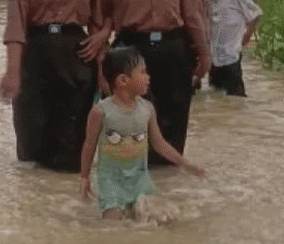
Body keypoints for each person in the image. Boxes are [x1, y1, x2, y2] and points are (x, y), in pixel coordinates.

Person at [95, 0, 210, 167]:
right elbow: (102, 24)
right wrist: (101, 69)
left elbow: (193, 16)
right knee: (131, 126)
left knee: (174, 120)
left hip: (173, 49)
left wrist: (204, 54)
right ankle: (135, 190)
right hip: (130, 53)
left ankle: (169, 186)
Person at [0, 0, 108, 172]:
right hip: (36, 58)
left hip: (78, 57)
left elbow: (100, 21)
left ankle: (69, 207)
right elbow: (16, 23)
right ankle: (36, 208)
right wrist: (13, 71)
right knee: (31, 145)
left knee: (73, 145)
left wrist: (103, 58)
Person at [80, 46, 207, 220]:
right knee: (112, 224)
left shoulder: (147, 109)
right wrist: (85, 177)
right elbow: (89, 144)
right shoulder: (100, 112)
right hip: (111, 180)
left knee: (163, 218)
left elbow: (159, 143)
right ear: (123, 80)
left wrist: (185, 164)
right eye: (143, 72)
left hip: (140, 178)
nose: (148, 78)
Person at [200, 0, 263, 97]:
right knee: (215, 93)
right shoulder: (206, 2)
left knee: (236, 95)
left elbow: (256, 13)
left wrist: (247, 35)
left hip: (232, 53)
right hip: (214, 56)